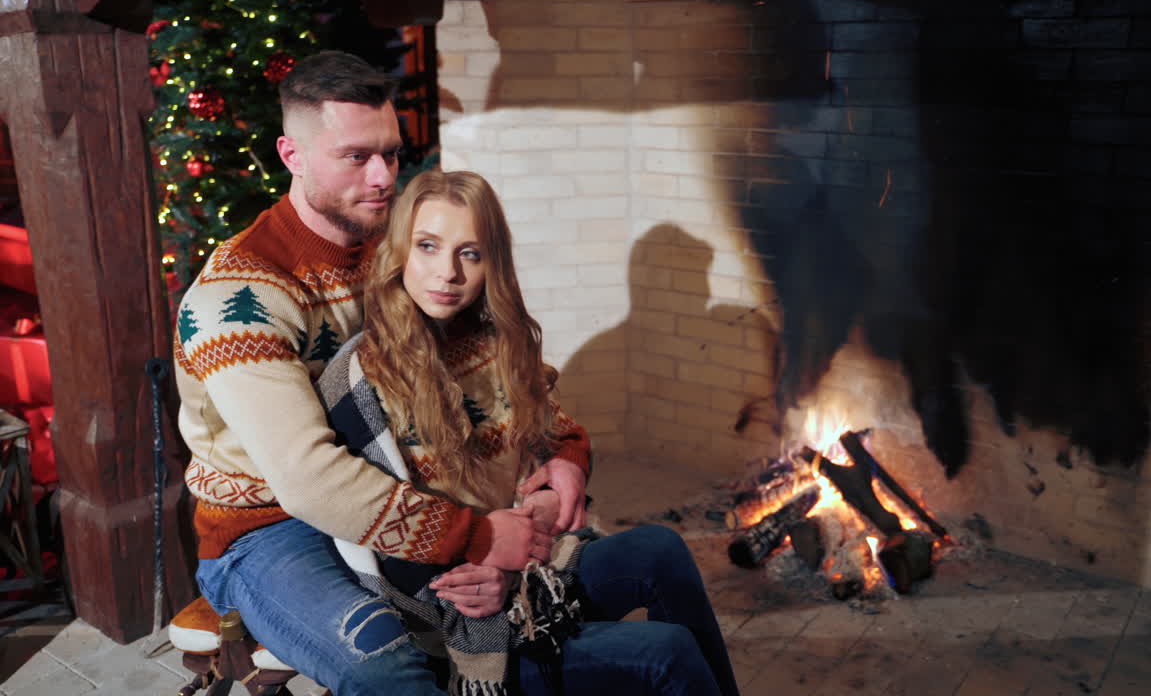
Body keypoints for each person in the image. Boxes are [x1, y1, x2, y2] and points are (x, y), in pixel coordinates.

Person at [175, 52, 531, 696]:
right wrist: (473, 535)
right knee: (389, 663)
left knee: (518, 603)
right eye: (356, 156)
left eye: (391, 155)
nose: (382, 177)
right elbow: (309, 479)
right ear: (293, 155)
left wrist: (561, 451)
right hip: (267, 528)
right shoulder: (236, 299)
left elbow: (490, 361)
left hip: (399, 475)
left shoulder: (397, 248)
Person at [317, 168, 741, 695]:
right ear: (401, 250)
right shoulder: (360, 378)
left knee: (660, 549)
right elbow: (374, 537)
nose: (447, 272)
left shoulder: (497, 342)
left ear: (492, 262)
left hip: (531, 573)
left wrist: (566, 466)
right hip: (459, 618)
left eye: (470, 253)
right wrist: (483, 578)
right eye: (428, 246)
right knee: (666, 655)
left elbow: (556, 435)